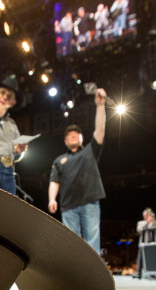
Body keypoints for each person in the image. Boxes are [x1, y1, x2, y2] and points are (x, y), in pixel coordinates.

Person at [48, 88, 107, 253]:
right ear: (65, 141)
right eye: (69, 135)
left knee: (92, 240)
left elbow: (100, 130)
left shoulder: (90, 151)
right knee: (71, 243)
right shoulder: (59, 160)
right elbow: (54, 181)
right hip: (68, 205)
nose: (73, 135)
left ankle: (93, 276)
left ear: (82, 138)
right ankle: (74, 276)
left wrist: (100, 106)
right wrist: (52, 199)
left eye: (77, 134)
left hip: (90, 201)